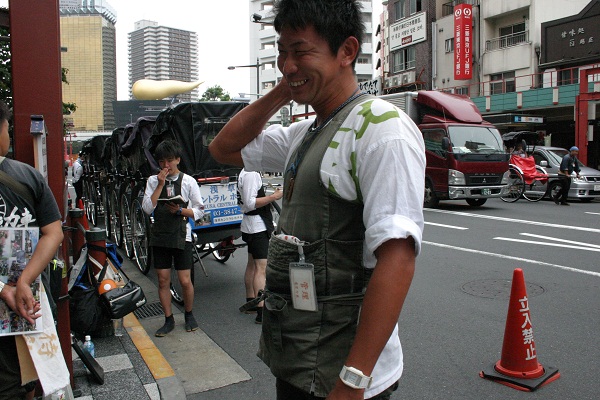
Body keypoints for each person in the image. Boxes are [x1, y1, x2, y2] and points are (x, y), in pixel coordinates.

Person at [208, 1, 425, 399]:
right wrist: (287, 86)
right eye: (282, 52)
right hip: (297, 358)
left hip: (343, 376)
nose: (287, 64)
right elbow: (223, 147)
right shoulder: (303, 131)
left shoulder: (381, 128)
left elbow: (397, 259)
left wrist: (353, 381)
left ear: (346, 51)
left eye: (301, 50)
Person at [0, 101, 64, 399]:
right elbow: (53, 232)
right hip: (28, 301)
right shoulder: (28, 177)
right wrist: (24, 281)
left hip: (18, 298)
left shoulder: (26, 177)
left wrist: (8, 287)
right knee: (26, 377)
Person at [142, 140, 204, 336]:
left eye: (170, 161)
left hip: (180, 235)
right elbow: (146, 208)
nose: (166, 166)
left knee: (185, 280)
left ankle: (189, 314)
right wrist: (160, 185)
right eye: (162, 162)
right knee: (162, 280)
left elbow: (200, 211)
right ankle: (168, 319)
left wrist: (180, 211)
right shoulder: (153, 181)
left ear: (178, 159)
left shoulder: (188, 181)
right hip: (159, 234)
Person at [237, 169, 283, 324]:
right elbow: (251, 203)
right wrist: (273, 197)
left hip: (250, 225)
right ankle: (261, 310)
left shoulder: (244, 172)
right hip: (257, 226)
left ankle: (251, 301)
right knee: (260, 268)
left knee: (251, 264)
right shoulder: (251, 174)